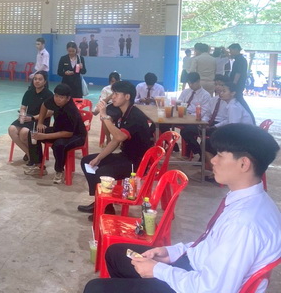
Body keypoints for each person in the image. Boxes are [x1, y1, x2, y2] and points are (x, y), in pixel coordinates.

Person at [83, 123, 281, 293]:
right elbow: (210, 245)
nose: (213, 160)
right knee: (117, 253)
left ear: (244, 164)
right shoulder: (247, 200)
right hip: (195, 268)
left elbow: (212, 289)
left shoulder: (244, 223)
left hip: (198, 284)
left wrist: (158, 270)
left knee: (96, 288)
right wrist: (170, 252)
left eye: (220, 155)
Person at [79, 81, 152, 220]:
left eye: (116, 94)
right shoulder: (124, 113)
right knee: (87, 161)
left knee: (102, 172)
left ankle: (107, 208)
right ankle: (99, 201)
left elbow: (119, 136)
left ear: (127, 97)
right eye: (113, 93)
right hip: (125, 156)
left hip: (137, 163)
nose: (113, 97)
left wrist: (104, 115)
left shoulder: (135, 116)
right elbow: (115, 141)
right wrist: (99, 157)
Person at [24, 83, 87, 184]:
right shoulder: (54, 100)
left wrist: (44, 136)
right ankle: (38, 165)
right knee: (33, 134)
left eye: (61, 97)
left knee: (58, 144)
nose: (57, 99)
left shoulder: (71, 110)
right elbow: (44, 105)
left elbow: (67, 134)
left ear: (68, 98)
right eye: (56, 96)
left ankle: (59, 171)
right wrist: (40, 123)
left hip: (76, 135)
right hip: (58, 130)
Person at [180, 74, 229, 162]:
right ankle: (200, 152)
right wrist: (203, 123)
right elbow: (207, 114)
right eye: (216, 84)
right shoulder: (214, 99)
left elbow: (228, 120)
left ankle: (205, 157)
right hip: (208, 123)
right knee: (186, 131)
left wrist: (214, 126)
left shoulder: (230, 102)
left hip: (220, 126)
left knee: (207, 140)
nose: (218, 87)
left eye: (221, 85)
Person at [8, 71, 52, 163]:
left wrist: (33, 118)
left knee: (24, 132)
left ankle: (33, 156)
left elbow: (49, 113)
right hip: (28, 118)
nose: (37, 81)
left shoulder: (48, 94)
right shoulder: (29, 92)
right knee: (12, 129)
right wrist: (22, 114)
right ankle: (30, 154)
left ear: (45, 81)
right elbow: (23, 107)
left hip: (40, 120)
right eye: (35, 79)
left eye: (40, 79)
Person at [94, 72, 121, 147]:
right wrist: (111, 95)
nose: (114, 83)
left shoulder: (122, 89)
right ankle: (108, 137)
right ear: (109, 82)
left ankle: (120, 138)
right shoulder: (106, 89)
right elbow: (102, 102)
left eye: (116, 81)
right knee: (106, 118)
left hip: (120, 107)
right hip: (109, 106)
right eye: (112, 81)